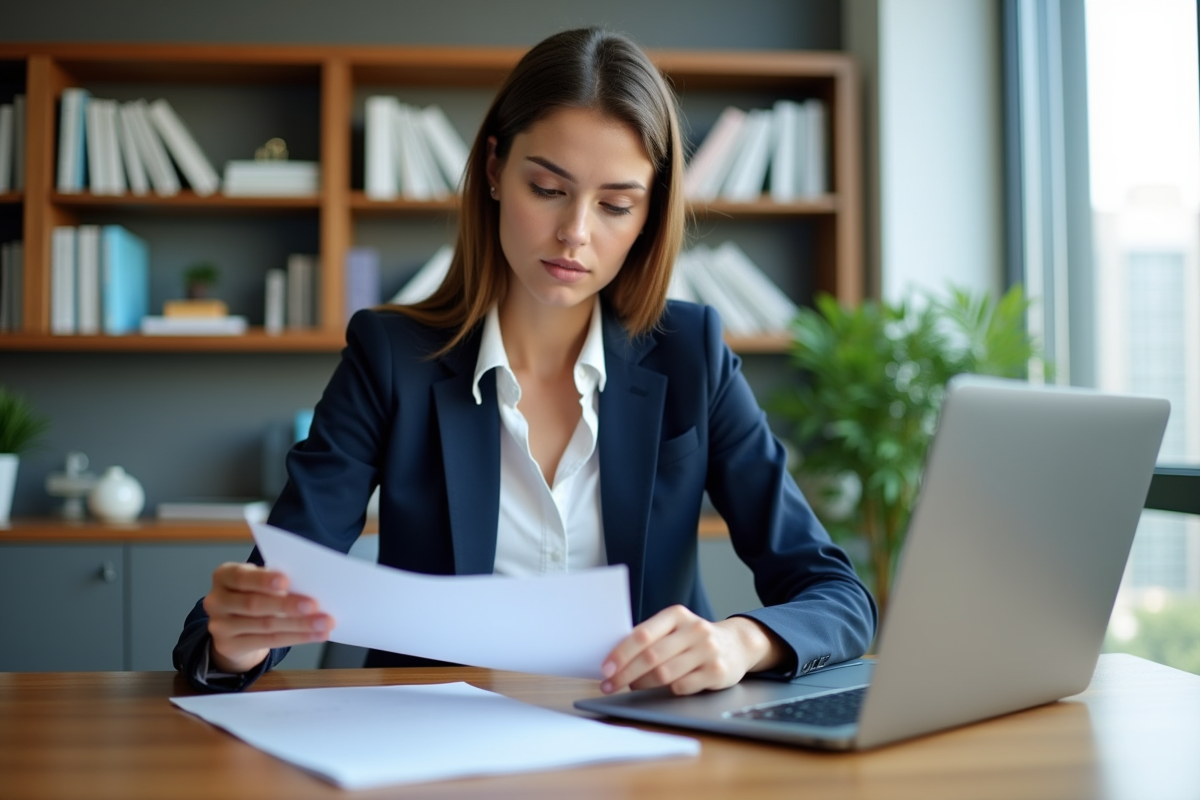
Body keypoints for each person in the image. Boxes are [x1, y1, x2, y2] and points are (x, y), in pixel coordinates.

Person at [174, 27, 877, 695]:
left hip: (647, 742)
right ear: (493, 171)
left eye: (616, 205)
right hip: (432, 737)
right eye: (547, 189)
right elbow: (263, 595)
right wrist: (240, 638)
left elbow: (838, 596)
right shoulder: (390, 358)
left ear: (649, 216)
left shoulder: (693, 354)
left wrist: (741, 642)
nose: (575, 233)